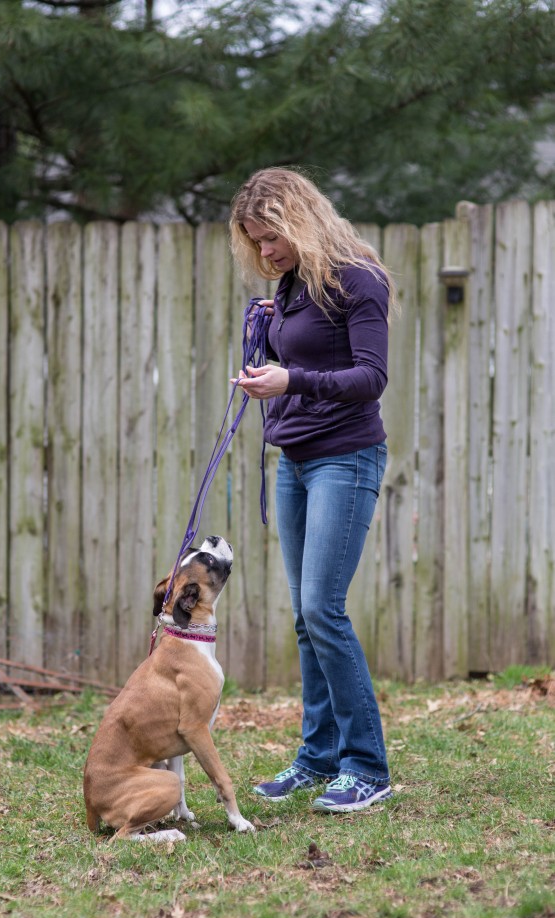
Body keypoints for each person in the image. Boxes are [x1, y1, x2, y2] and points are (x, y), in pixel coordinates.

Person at [229, 166, 396, 813]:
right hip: (293, 461)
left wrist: (289, 378)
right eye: (255, 242)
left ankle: (366, 767)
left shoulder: (358, 278)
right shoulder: (295, 285)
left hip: (344, 459)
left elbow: (369, 377)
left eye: (271, 238)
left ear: (299, 220)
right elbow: (308, 351)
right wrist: (271, 327)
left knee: (324, 610)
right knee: (305, 620)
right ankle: (317, 757)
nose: (264, 253)